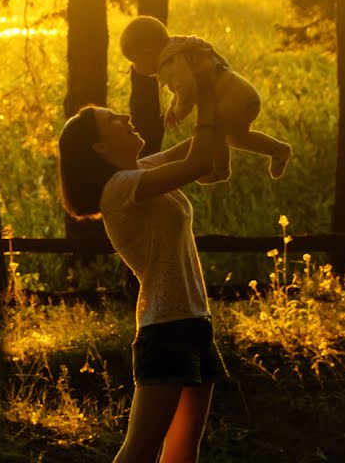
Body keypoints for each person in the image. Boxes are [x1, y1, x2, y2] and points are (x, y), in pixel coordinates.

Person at [57, 67, 227, 462]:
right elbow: (199, 160)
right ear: (99, 147)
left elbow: (202, 143)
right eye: (113, 120)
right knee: (142, 449)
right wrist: (200, 88)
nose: (125, 117)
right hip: (164, 327)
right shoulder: (117, 190)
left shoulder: (142, 172)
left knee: (184, 450)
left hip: (194, 321)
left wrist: (211, 91)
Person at [120, 15, 292, 184]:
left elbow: (187, 89)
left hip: (233, 99)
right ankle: (277, 149)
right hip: (245, 95)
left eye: (134, 61)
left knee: (215, 133)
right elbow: (182, 87)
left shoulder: (172, 62)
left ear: (147, 52)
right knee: (236, 138)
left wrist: (180, 112)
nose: (134, 67)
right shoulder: (178, 52)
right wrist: (173, 107)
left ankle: (220, 171)